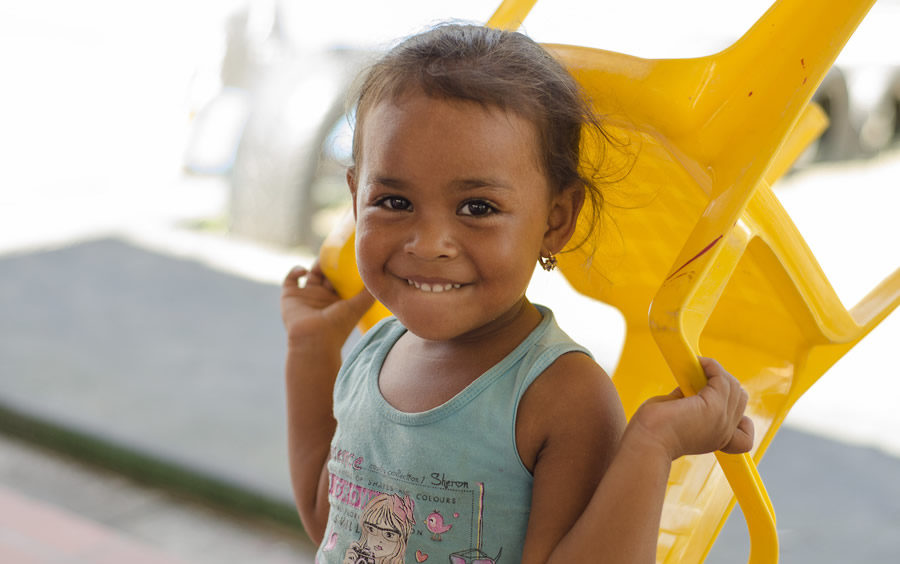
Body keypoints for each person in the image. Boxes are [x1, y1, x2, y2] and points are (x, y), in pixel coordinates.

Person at [281, 24, 753, 563]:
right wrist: (312, 352)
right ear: (355, 194)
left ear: (555, 221)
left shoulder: (561, 395)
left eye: (477, 208)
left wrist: (652, 445)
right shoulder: (371, 357)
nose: (429, 243)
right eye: (393, 201)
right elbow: (331, 527)